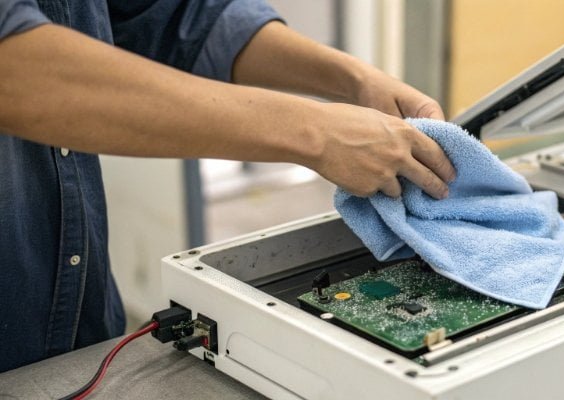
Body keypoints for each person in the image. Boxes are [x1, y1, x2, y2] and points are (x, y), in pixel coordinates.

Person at [0, 0, 455, 372]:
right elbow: (15, 66)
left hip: (81, 331)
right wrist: (316, 133)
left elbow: (175, 17)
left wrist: (356, 80)